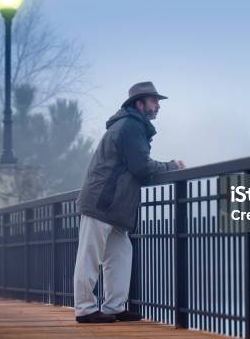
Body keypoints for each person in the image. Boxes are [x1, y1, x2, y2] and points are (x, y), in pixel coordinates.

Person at [73, 81, 186, 323]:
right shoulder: (130, 126)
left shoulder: (132, 126)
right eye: (154, 101)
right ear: (140, 103)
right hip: (102, 202)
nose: (158, 106)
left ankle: (114, 306)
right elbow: (141, 166)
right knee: (90, 257)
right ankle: (85, 309)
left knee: (120, 254)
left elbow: (135, 165)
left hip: (114, 206)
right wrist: (171, 166)